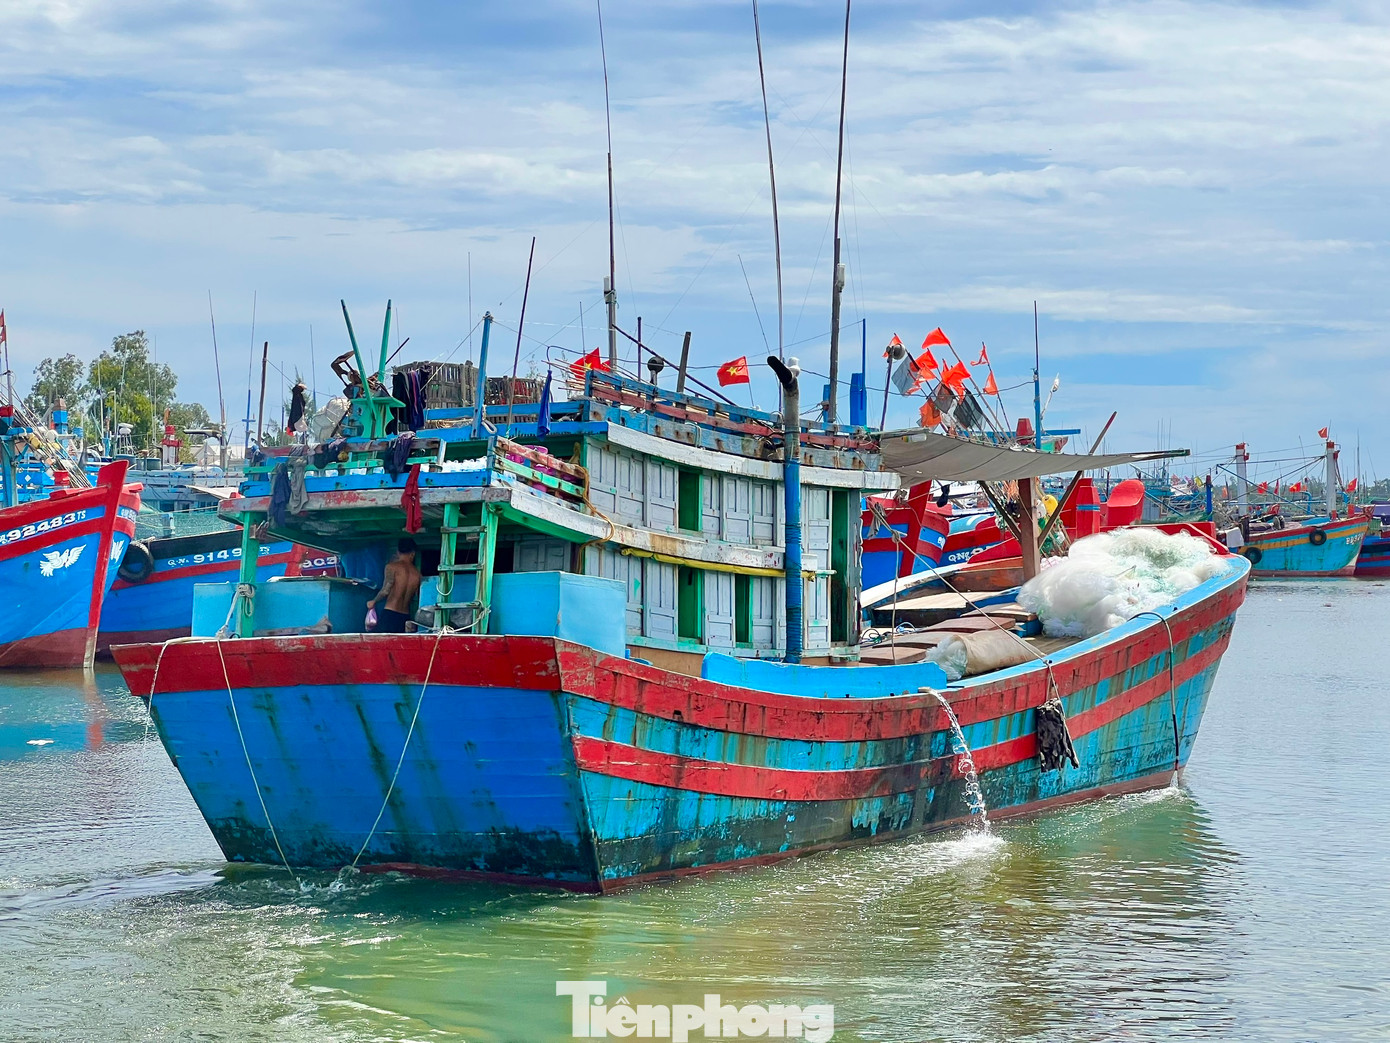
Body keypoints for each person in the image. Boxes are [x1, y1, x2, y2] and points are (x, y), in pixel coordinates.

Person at [369, 538, 422, 633]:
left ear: (398, 552)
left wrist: (374, 601)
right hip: (405, 617)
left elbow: (385, 591)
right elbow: (419, 597)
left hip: (390, 614)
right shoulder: (417, 574)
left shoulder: (391, 567)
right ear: (413, 553)